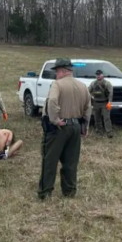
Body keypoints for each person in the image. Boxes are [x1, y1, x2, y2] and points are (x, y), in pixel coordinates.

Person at [38, 58, 91, 200]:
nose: (56, 74)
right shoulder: (82, 86)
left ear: (62, 71)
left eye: (56, 71)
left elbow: (52, 101)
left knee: (49, 160)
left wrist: (54, 120)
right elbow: (88, 108)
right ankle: (69, 191)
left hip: (59, 128)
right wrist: (84, 126)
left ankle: (45, 192)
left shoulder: (57, 84)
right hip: (75, 127)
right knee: (71, 161)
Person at [88, 69, 114, 138]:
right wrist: (90, 100)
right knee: (97, 118)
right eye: (97, 74)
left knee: (107, 118)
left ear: (102, 75)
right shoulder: (93, 83)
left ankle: (109, 132)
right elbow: (88, 91)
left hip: (104, 103)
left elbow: (110, 93)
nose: (98, 76)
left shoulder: (107, 83)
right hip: (95, 103)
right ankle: (99, 131)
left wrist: (109, 102)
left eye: (99, 74)